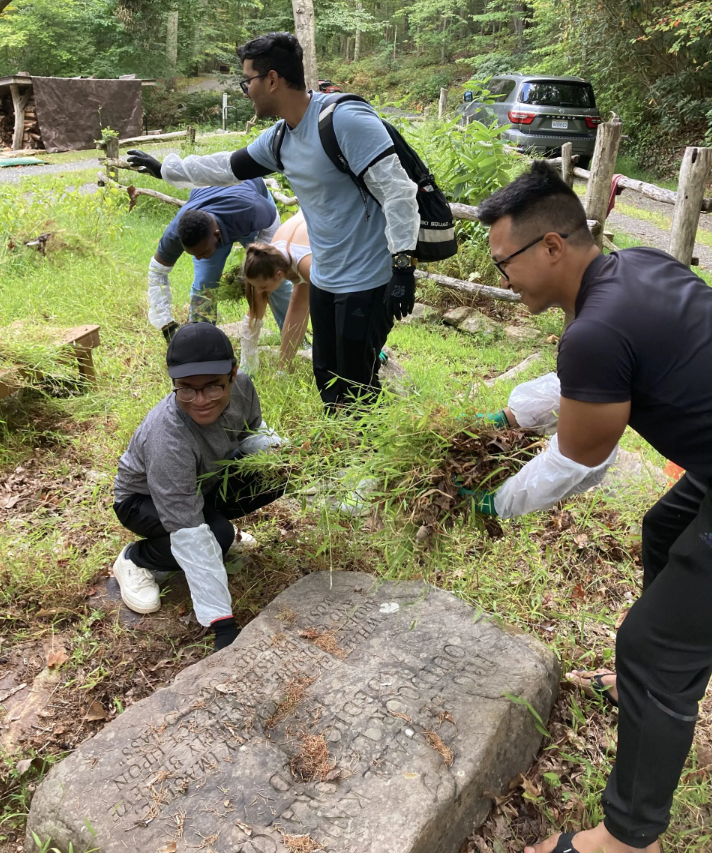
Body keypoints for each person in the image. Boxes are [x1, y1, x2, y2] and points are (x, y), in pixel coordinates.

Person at [469, 161, 712, 853]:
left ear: (551, 248)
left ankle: (628, 838)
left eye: (504, 260)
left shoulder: (596, 327)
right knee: (666, 525)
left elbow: (579, 461)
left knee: (652, 645)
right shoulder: (633, 270)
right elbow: (591, 375)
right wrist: (513, 415)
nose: (500, 278)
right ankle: (664, 673)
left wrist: (495, 502)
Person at [128, 31, 420, 410]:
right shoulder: (281, 139)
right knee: (328, 379)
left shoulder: (345, 120)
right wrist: (164, 169)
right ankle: (347, 455)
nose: (245, 90)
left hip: (368, 277)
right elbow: (227, 166)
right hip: (327, 279)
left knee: (358, 383)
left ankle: (372, 461)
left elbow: (398, 191)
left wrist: (403, 267)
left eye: (246, 81)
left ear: (271, 79)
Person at [112, 323, 285, 651]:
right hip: (142, 499)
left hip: (204, 480)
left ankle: (212, 523)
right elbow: (189, 532)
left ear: (233, 375)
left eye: (213, 387)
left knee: (277, 473)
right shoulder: (168, 438)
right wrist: (223, 625)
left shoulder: (244, 387)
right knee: (215, 535)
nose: (200, 400)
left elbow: (252, 432)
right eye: (186, 388)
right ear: (174, 382)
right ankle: (137, 559)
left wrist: (288, 456)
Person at [148, 180, 291, 339]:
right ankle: (202, 339)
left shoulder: (253, 210)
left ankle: (294, 337)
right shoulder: (176, 233)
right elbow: (156, 272)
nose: (198, 258)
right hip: (211, 205)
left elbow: (271, 234)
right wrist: (166, 323)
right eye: (193, 254)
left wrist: (260, 264)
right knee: (204, 285)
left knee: (275, 277)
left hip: (250, 214)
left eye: (202, 252)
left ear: (216, 235)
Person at [239, 210, 311, 373]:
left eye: (263, 287)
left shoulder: (307, 265)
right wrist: (247, 361)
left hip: (343, 228)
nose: (259, 291)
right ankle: (283, 370)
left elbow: (341, 302)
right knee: (298, 301)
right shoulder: (265, 258)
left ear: (279, 275)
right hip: (307, 226)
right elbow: (255, 315)